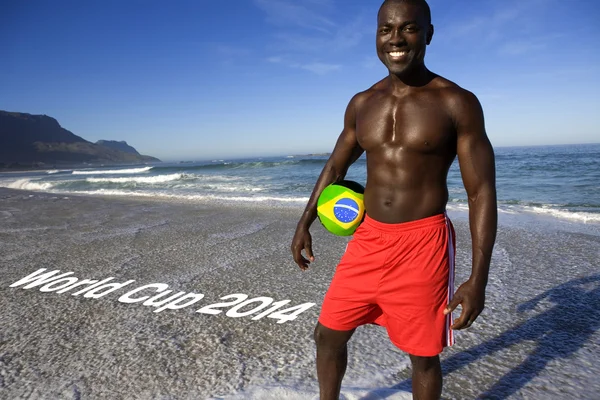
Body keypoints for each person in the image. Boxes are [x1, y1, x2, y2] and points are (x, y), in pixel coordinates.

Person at [290, 0, 497, 399]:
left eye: (408, 28)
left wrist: (478, 278)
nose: (396, 39)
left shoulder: (457, 102)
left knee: (422, 356)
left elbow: (481, 192)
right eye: (386, 30)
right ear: (376, 36)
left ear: (429, 34)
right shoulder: (362, 103)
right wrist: (304, 223)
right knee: (327, 335)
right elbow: (335, 166)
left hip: (424, 244)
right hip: (368, 239)